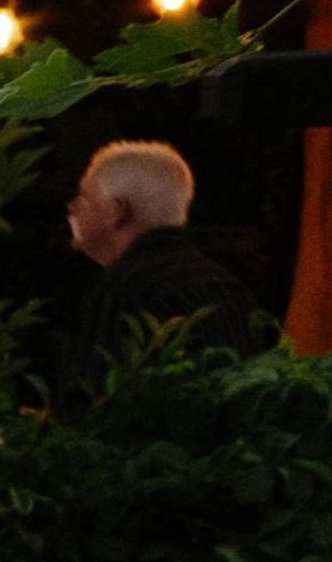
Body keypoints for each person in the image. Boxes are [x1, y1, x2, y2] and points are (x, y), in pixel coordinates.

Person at [49, 135, 260, 395]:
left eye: (84, 198)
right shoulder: (228, 287)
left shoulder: (123, 289)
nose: (72, 208)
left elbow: (90, 404)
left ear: (116, 211)